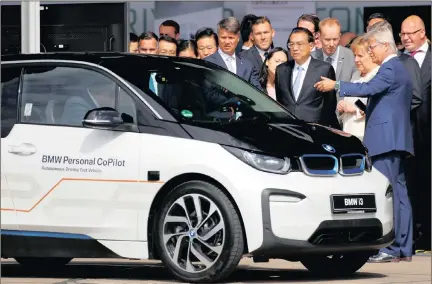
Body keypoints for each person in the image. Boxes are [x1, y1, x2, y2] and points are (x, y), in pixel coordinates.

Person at [314, 22, 414, 263]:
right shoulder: (397, 68)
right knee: (398, 194)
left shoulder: (390, 68)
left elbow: (369, 87)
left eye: (372, 47)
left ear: (384, 46)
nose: (370, 52)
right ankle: (402, 246)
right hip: (392, 137)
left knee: (390, 193)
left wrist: (336, 85)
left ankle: (392, 248)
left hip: (386, 139)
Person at [275, 27, 339, 129]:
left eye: (299, 44)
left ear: (311, 46)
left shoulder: (324, 69)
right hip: (288, 128)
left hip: (314, 129)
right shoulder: (281, 70)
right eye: (291, 44)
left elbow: (329, 105)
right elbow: (280, 100)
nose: (295, 48)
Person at [337, 36, 379, 141]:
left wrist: (354, 108)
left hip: (367, 136)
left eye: (360, 56)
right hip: (349, 133)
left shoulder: (378, 75)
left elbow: (375, 108)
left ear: (371, 55)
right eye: (354, 55)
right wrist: (342, 105)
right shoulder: (356, 75)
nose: (356, 60)